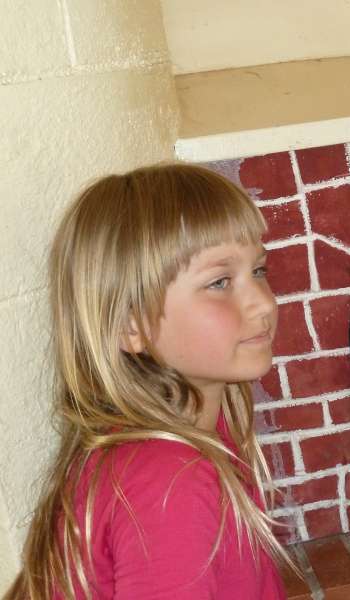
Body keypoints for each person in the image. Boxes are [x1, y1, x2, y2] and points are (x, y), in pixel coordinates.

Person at [3, 164, 288, 599]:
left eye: (259, 271)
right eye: (219, 282)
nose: (263, 304)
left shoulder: (206, 423)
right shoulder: (170, 483)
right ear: (130, 326)